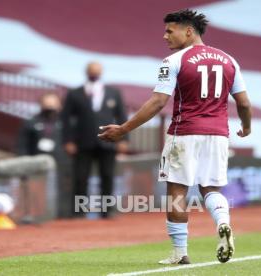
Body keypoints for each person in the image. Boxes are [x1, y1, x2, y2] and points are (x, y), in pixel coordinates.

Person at [99, 9, 251, 264]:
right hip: (219, 135)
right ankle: (223, 222)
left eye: (170, 31)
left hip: (184, 132)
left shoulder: (174, 61)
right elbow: (244, 103)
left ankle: (180, 253)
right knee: (211, 188)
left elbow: (158, 102)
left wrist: (124, 129)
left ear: (188, 31)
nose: (165, 36)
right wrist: (246, 127)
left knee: (177, 191)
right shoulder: (229, 60)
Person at [61, 61, 129, 219]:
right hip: (82, 142)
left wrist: (123, 138)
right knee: (80, 177)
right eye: (92, 70)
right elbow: (65, 119)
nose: (94, 73)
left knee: (107, 176)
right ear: (86, 72)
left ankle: (107, 211)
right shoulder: (74, 93)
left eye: (97, 70)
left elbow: (122, 117)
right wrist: (68, 140)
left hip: (108, 141)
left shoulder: (113, 92)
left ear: (101, 72)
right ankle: (78, 212)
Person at [17, 92, 72, 217]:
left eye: (53, 104)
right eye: (47, 104)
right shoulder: (31, 122)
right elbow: (22, 145)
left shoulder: (67, 122)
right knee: (36, 190)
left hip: (61, 162)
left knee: (61, 190)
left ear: (59, 105)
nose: (50, 107)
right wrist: (23, 162)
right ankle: (36, 214)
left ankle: (62, 215)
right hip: (37, 162)